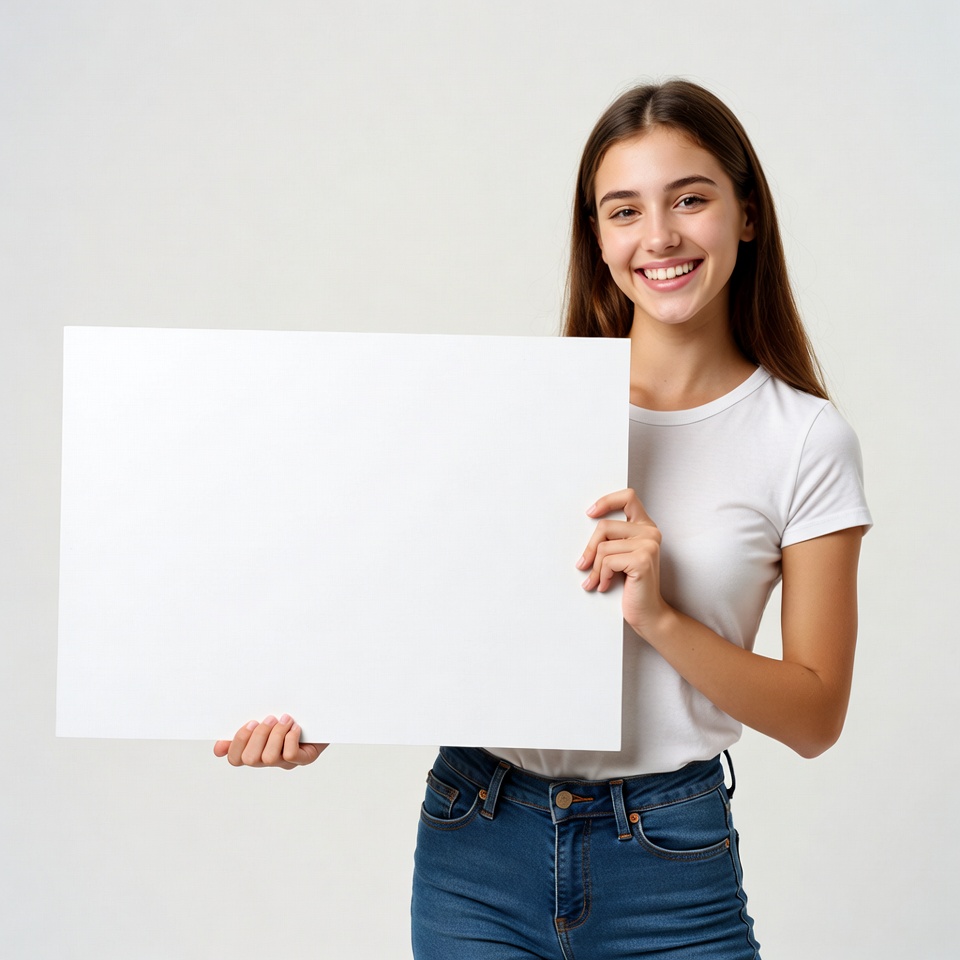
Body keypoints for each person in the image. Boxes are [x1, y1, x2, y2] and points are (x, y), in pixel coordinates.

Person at [214, 79, 871, 958]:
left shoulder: (804, 439)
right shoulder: (521, 406)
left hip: (669, 859)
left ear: (746, 215)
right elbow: (433, 606)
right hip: (478, 841)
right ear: (598, 239)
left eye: (690, 199)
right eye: (624, 211)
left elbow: (816, 717)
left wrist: (661, 618)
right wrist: (325, 707)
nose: (660, 236)